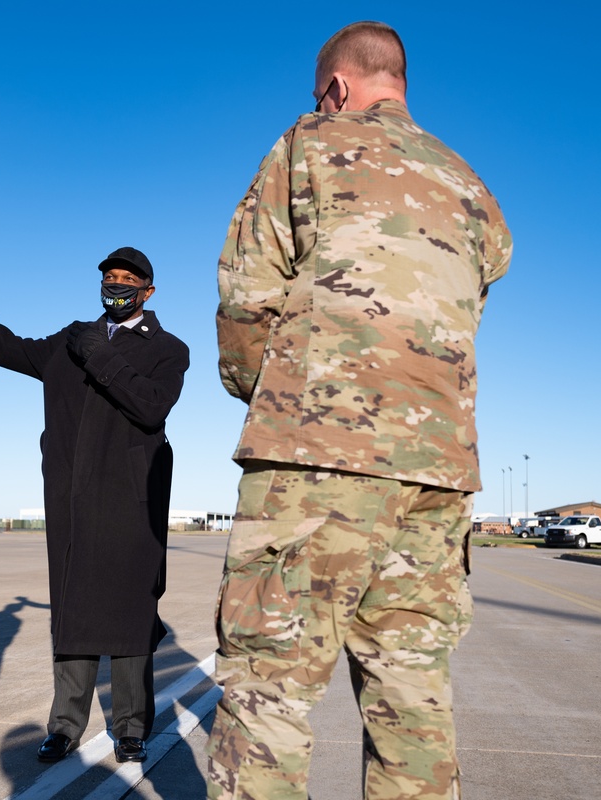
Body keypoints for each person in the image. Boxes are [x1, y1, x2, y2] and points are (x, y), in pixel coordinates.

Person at [208, 21, 512, 800]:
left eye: (322, 95)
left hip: (315, 457)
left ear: (337, 88)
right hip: (439, 477)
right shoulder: (472, 189)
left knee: (268, 692)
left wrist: (270, 396)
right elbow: (466, 308)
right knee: (413, 700)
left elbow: (247, 296)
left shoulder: (311, 142)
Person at [0, 238, 189, 764]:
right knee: (72, 611)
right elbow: (7, 349)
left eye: (128, 282)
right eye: (110, 277)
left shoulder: (167, 349)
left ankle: (132, 727)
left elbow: (151, 407)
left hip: (131, 501)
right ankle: (65, 725)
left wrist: (100, 354)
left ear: (148, 291)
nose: (117, 286)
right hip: (71, 498)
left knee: (131, 615)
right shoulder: (72, 338)